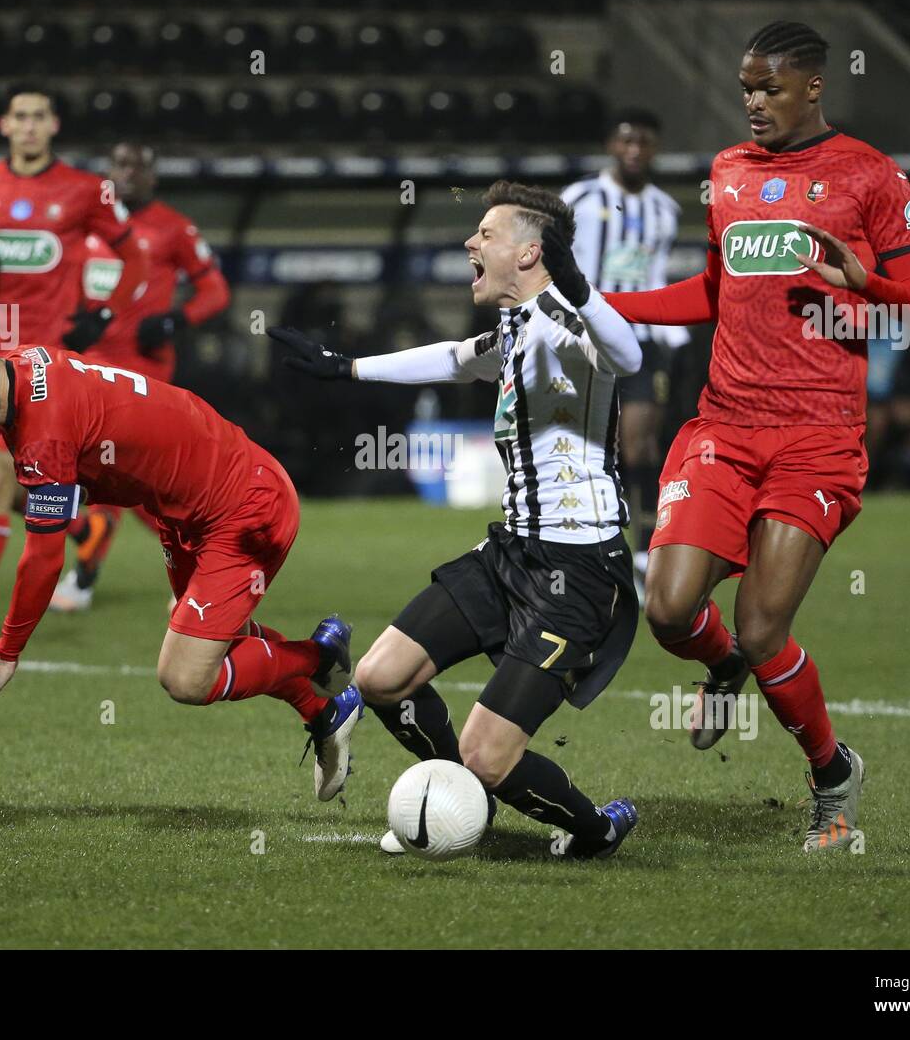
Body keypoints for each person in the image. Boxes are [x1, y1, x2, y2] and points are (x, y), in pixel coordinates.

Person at [539, 21, 910, 852]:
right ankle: (722, 665)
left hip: (817, 437)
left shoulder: (869, 174)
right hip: (724, 424)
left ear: (812, 87)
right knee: (669, 607)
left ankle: (831, 774)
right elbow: (713, 291)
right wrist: (603, 303)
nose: (753, 103)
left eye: (768, 89)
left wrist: (862, 282)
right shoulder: (726, 173)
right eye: (745, 90)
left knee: (765, 627)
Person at [270, 181, 645, 859]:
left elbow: (631, 356)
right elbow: (449, 359)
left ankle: (595, 831)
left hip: (579, 570)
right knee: (380, 678)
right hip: (509, 555)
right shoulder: (513, 329)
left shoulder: (572, 324)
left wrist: (582, 287)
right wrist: (345, 367)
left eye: (486, 234)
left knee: (490, 753)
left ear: (532, 252)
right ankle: (464, 804)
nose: (471, 243)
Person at [0, 330, 362, 802]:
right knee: (208, 639)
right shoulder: (18, 366)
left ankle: (322, 657)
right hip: (186, 509)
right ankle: (324, 713)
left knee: (186, 678)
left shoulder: (46, 435)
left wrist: (8, 651)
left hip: (242, 506)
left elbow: (42, 560)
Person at [0, 84, 149, 656]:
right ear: (4, 124)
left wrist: (102, 315)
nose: (28, 126)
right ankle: (82, 528)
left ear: (53, 125)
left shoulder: (84, 190)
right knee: (14, 482)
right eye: (19, 116)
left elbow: (134, 257)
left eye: (38, 116)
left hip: (40, 368)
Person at [50, 141, 232, 612]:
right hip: (89, 365)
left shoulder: (173, 228)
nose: (127, 173)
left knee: (122, 474)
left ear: (154, 176)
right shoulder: (88, 222)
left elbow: (214, 291)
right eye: (119, 164)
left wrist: (174, 321)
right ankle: (199, 560)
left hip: (142, 368)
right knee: (109, 475)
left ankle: (95, 576)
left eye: (138, 166)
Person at [561, 108, 686, 598]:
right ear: (613, 144)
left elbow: (656, 276)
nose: (635, 150)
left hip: (643, 340)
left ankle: (644, 549)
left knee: (640, 443)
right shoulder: (580, 199)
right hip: (585, 341)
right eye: (627, 140)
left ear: (654, 149)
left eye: (645, 143)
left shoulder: (664, 210)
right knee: (595, 444)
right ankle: (588, 545)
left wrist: (672, 341)